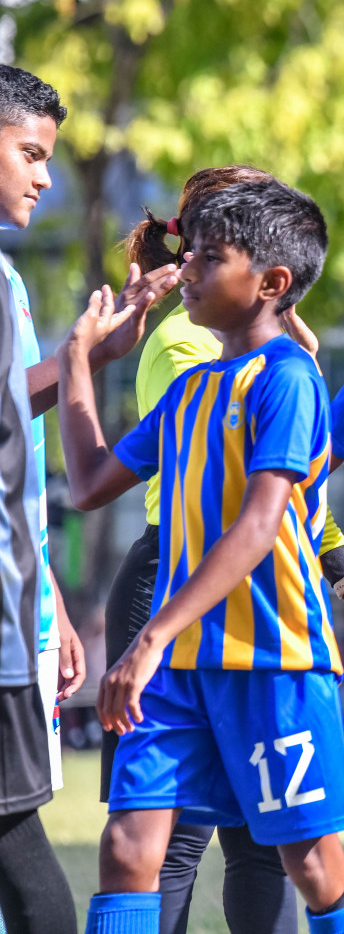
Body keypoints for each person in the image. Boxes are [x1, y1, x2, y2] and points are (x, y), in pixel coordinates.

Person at [57, 179, 344, 934]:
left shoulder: (290, 379)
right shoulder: (190, 387)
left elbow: (263, 521)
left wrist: (149, 637)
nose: (189, 271)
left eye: (210, 258)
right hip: (177, 671)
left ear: (272, 283)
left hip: (270, 663)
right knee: (128, 845)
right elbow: (89, 483)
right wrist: (81, 359)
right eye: (192, 253)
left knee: (311, 864)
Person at [0, 63, 168, 934]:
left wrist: (52, 602)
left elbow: (13, 468)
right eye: (28, 152)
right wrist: (84, 361)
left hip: (17, 615)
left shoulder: (11, 280)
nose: (43, 175)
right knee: (32, 876)